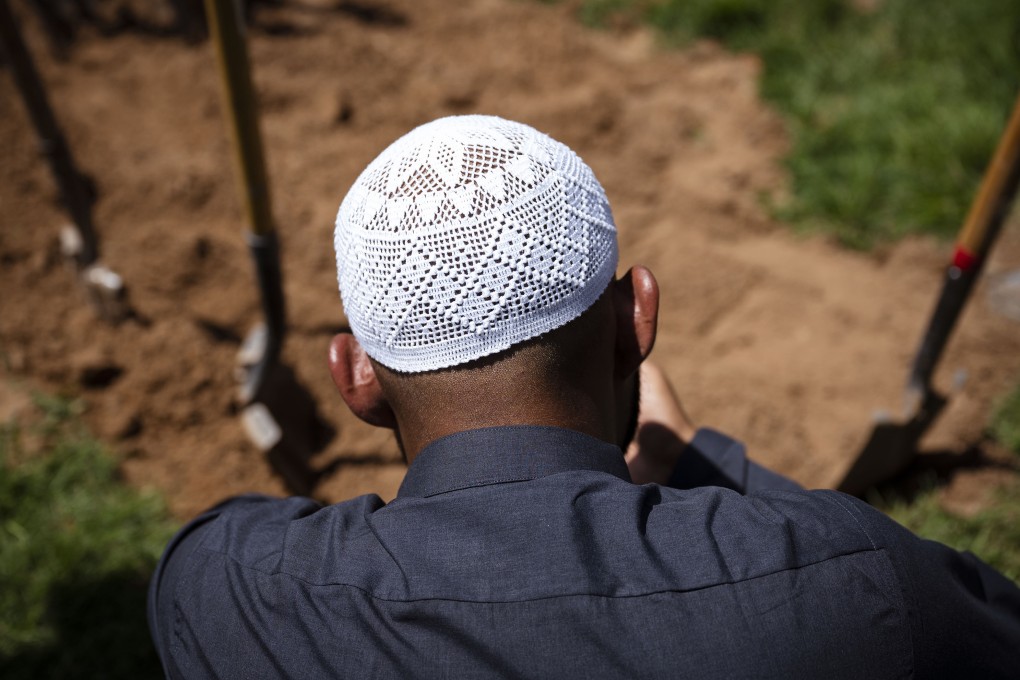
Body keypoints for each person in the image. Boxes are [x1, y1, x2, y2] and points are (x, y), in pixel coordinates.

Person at [147, 115, 1020, 678]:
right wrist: (698, 465)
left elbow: (214, 554)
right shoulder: (853, 590)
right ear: (637, 316)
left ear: (356, 377)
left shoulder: (227, 593)